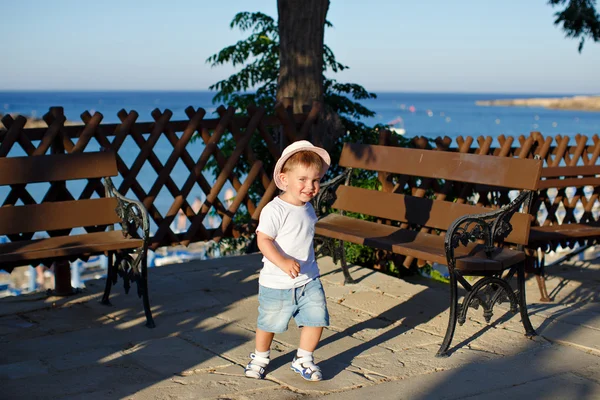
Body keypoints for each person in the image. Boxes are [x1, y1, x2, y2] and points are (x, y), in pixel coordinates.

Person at [245, 140, 331, 382]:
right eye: (302, 179)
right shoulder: (275, 210)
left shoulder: (308, 209)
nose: (310, 186)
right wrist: (282, 262)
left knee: (316, 318)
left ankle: (303, 358)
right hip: (277, 281)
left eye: (315, 180)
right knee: (269, 322)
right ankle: (260, 357)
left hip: (309, 278)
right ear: (284, 180)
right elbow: (264, 240)